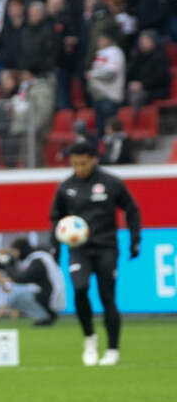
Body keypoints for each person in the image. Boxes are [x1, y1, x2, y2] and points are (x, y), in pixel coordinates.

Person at [50, 140, 141, 366]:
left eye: (83, 163)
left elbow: (131, 209)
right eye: (75, 164)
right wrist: (55, 247)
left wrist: (135, 240)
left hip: (106, 247)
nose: (79, 168)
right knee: (80, 289)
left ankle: (112, 350)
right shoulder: (66, 187)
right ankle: (90, 337)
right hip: (79, 249)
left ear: (94, 160)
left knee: (107, 296)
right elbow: (56, 219)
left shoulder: (111, 183)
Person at [0, 238, 66, 326]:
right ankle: (47, 315)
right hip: (48, 293)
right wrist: (2, 265)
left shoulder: (37, 260)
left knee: (15, 295)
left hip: (51, 295)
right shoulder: (39, 257)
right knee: (19, 292)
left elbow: (21, 279)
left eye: (15, 251)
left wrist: (7, 265)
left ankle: (44, 317)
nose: (14, 255)